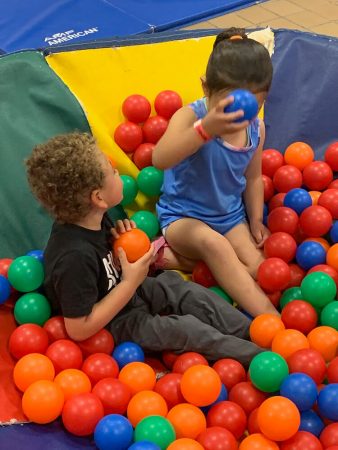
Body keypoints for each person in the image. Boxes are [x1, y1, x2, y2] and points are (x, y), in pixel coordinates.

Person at [25, 132, 262, 366]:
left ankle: (256, 333)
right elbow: (78, 328)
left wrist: (119, 243)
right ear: (98, 198)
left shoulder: (93, 218)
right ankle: (260, 357)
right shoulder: (73, 256)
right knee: (184, 329)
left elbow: (104, 264)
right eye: (113, 172)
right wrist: (129, 283)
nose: (118, 172)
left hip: (128, 291)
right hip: (115, 322)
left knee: (179, 288)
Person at [153, 27, 278, 317]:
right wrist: (205, 129)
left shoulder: (255, 129)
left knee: (260, 269)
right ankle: (272, 321)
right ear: (205, 88)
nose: (239, 117)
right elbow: (160, 158)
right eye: (229, 106)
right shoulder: (191, 117)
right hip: (182, 218)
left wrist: (256, 218)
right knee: (215, 245)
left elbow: (252, 177)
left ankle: (177, 261)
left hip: (230, 217)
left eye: (254, 106)